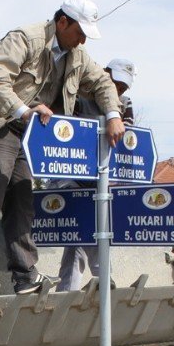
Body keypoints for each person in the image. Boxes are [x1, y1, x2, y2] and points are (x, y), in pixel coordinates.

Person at [0, 0, 126, 310]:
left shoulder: (77, 55)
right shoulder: (25, 39)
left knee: (22, 199)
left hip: (26, 133)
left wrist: (114, 114)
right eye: (80, 31)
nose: (84, 39)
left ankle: (24, 275)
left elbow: (103, 82)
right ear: (62, 23)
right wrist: (23, 111)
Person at [57, 58, 137, 292]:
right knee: (78, 237)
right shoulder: (80, 98)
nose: (118, 91)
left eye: (123, 87)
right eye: (116, 84)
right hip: (76, 180)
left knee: (96, 235)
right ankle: (79, 290)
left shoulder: (124, 103)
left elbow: (125, 137)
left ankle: (102, 287)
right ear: (105, 74)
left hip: (104, 182)